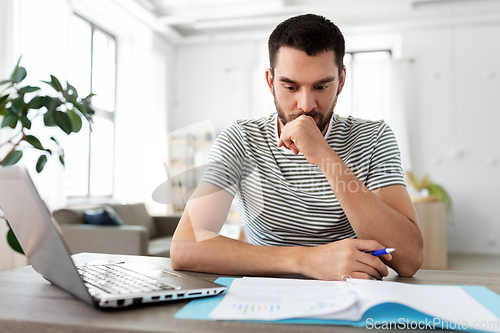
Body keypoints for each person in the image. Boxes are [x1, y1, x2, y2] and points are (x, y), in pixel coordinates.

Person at [170, 13, 423, 280]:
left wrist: (325, 157)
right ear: (270, 81)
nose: (306, 105)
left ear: (341, 81)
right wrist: (307, 260)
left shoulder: (374, 137)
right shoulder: (241, 139)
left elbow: (409, 259)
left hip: (356, 295)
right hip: (266, 298)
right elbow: (185, 247)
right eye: (290, 87)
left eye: (321, 86)